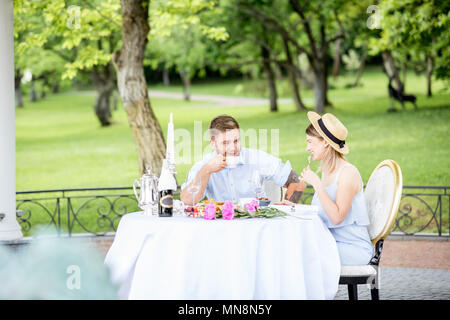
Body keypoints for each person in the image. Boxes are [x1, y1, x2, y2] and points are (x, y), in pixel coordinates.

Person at [299, 111, 373, 266]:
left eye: (310, 142)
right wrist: (294, 207)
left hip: (353, 249)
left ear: (325, 143)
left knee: (302, 254)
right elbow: (320, 213)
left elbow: (337, 217)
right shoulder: (327, 171)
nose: (307, 148)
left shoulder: (347, 173)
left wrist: (317, 185)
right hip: (332, 242)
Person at [180, 114, 305, 205]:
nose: (232, 148)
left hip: (257, 226)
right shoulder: (204, 165)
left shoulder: (256, 158)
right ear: (213, 144)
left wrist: (288, 207)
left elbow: (298, 183)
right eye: (225, 143)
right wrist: (206, 171)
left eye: (236, 141)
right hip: (221, 229)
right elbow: (186, 200)